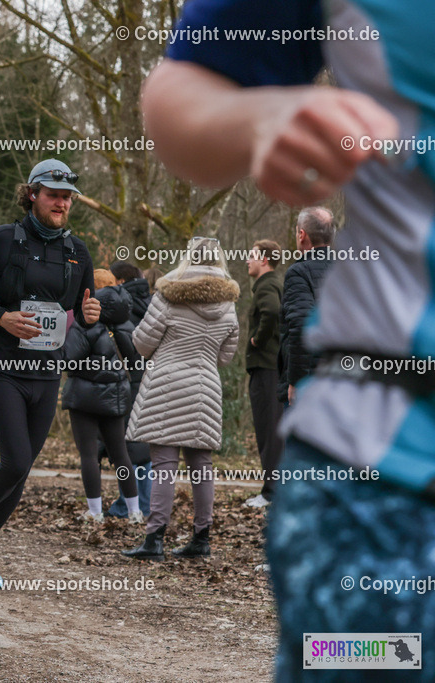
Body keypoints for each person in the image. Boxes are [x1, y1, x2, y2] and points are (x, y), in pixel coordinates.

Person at [141, 3, 435, 675]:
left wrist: (278, 372)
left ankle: (165, 533)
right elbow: (185, 88)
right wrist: (259, 117)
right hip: (383, 492)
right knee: (363, 659)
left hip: (232, 390)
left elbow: (262, 330)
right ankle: (184, 533)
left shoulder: (279, 279)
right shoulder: (277, 282)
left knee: (171, 463)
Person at [0, 159, 100, 589]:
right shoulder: (1, 240)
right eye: (53, 194)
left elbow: (86, 312)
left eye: (67, 196)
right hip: (3, 367)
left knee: (22, 469)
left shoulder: (78, 251)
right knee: (14, 459)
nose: (61, 203)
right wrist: (1, 317)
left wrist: (91, 314)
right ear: (32, 194)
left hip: (47, 372)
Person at [122, 237, 239, 560]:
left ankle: (155, 539)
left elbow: (142, 344)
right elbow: (227, 356)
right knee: (202, 465)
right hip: (206, 386)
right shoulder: (229, 302)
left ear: (187, 257)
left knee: (164, 465)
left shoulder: (168, 295)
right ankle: (201, 538)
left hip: (167, 384)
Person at [62, 270, 143, 524]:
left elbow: (69, 361)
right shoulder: (126, 320)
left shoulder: (84, 320)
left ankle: (95, 513)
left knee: (88, 455)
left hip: (84, 397)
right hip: (117, 397)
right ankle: (135, 512)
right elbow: (136, 362)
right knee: (121, 455)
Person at [106, 260, 154, 518]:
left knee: (129, 447)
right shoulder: (149, 302)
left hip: (130, 379)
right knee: (143, 447)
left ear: (121, 282)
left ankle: (130, 503)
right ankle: (141, 501)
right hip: (150, 379)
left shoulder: (123, 304)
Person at [279, 208, 336, 405]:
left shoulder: (299, 273)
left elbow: (301, 326)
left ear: (302, 235)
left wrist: (296, 382)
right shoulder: (349, 271)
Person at [244, 240, 284, 508]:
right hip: (273, 368)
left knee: (268, 430)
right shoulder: (271, 283)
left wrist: (258, 339)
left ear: (265, 260)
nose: (247, 259)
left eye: (252, 255)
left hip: (266, 368)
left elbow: (271, 312)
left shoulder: (267, 285)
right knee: (274, 430)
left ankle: (271, 492)